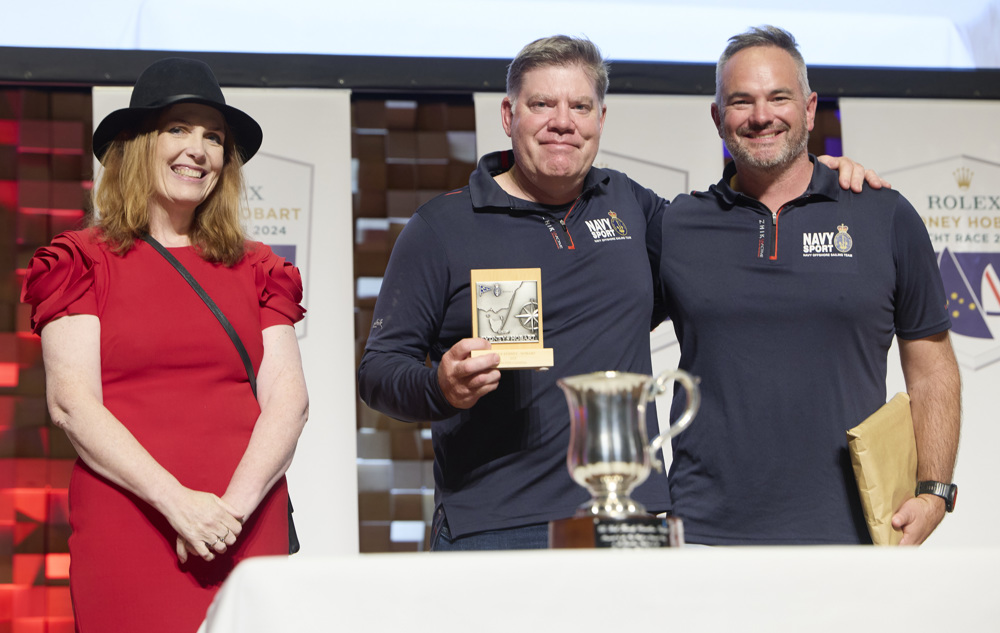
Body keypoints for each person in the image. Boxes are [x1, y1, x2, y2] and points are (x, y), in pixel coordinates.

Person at [357, 35, 881, 550]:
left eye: (580, 106)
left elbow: (731, 229)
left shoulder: (632, 206)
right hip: (496, 525)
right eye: (542, 104)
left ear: (600, 120)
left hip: (630, 521)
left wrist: (808, 179)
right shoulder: (441, 227)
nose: (562, 121)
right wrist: (441, 388)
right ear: (508, 114)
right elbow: (379, 371)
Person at [21, 58, 308, 631]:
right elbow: (73, 405)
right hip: (132, 524)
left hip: (246, 523)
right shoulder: (81, 261)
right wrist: (180, 504)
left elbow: (289, 400)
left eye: (214, 137)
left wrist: (228, 513)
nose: (197, 149)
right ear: (136, 143)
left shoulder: (259, 268)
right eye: (177, 128)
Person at [655, 26, 961, 546]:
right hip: (704, 534)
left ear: (810, 108)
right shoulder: (677, 225)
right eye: (740, 101)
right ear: (716, 118)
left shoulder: (882, 215)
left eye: (779, 97)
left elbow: (932, 368)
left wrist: (935, 491)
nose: (761, 116)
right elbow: (600, 321)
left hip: (854, 531)